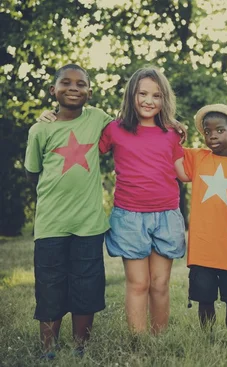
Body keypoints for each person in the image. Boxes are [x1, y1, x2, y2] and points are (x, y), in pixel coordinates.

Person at [25, 64, 112, 359]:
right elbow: (33, 172)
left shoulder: (99, 118)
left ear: (89, 91)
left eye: (81, 84)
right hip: (50, 224)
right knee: (50, 285)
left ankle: (79, 347)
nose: (74, 88)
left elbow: (130, 128)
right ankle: (48, 348)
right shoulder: (40, 129)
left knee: (86, 286)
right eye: (66, 83)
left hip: (88, 225)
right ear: (54, 91)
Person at [98, 67, 187, 335]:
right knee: (138, 284)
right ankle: (138, 341)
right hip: (129, 216)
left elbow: (183, 172)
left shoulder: (172, 133)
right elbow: (86, 150)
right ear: (131, 95)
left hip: (166, 215)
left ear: (164, 100)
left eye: (156, 95)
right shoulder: (114, 129)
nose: (149, 101)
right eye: (143, 93)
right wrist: (53, 117)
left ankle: (158, 339)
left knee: (159, 285)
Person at [182, 104, 227, 329]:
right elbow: (169, 148)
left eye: (220, 130)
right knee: (205, 300)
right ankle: (208, 337)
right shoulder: (198, 158)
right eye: (207, 131)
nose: (213, 135)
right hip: (201, 248)